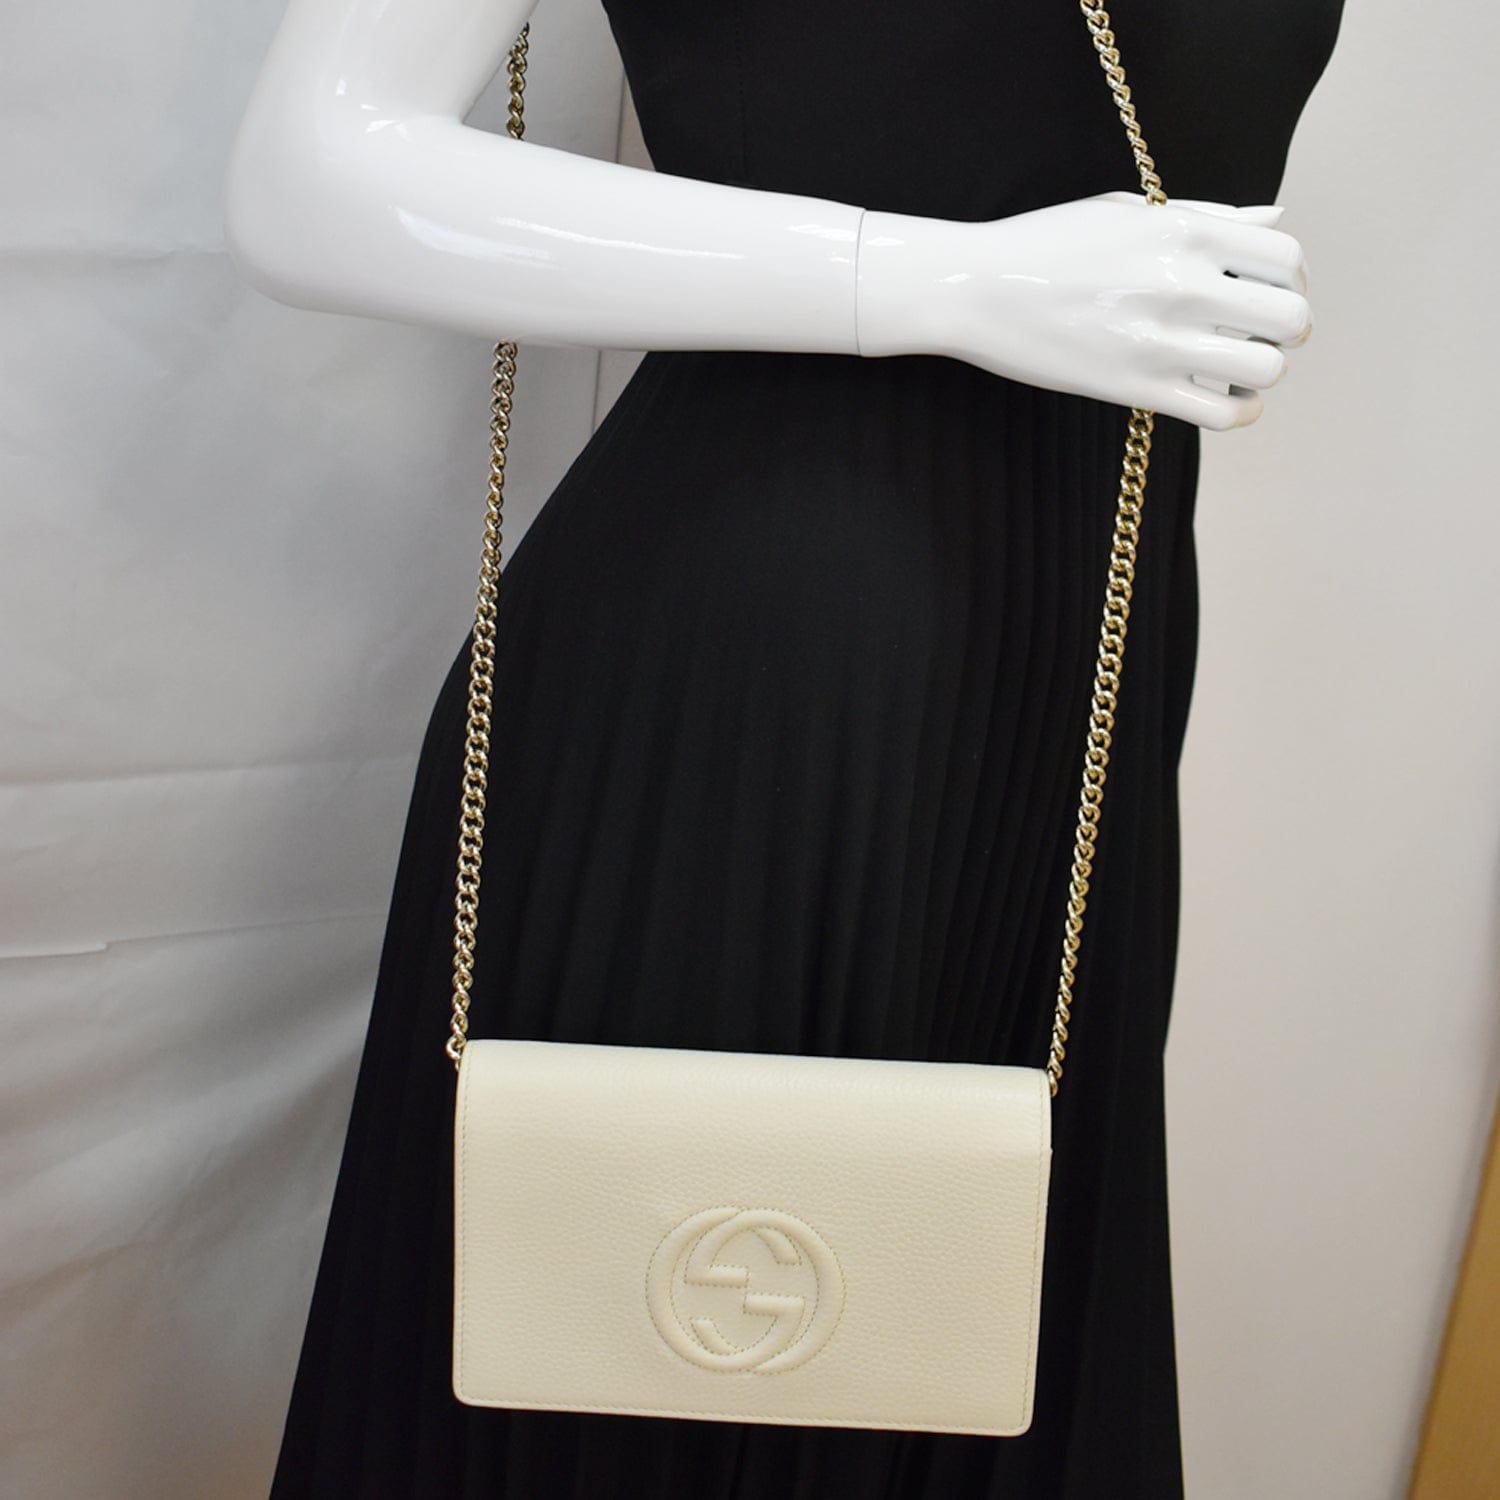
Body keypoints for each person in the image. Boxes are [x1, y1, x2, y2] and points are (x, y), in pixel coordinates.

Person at [224, 0, 1344, 1494]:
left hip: (1075, 695)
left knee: (949, 1327)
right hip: (752, 699)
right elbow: (310, 171)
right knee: (647, 1362)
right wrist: (945, 281)